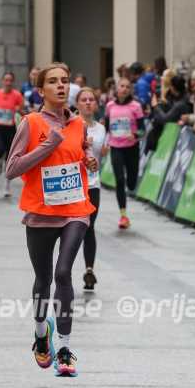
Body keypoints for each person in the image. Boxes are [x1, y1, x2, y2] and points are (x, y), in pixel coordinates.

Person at [5, 63, 98, 378]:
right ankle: (40, 331)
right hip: (41, 213)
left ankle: (65, 348)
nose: (61, 86)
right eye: (54, 82)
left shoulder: (78, 124)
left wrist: (90, 158)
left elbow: (81, 154)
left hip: (75, 209)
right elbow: (12, 168)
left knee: (63, 273)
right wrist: (47, 146)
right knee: (43, 279)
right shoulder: (30, 123)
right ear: (41, 89)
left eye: (65, 81)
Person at [105, 76, 146, 229]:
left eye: (127, 87)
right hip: (116, 147)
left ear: (130, 90)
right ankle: (123, 215)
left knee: (131, 183)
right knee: (120, 180)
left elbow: (143, 130)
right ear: (117, 88)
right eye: (122, 86)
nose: (124, 89)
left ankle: (132, 182)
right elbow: (107, 127)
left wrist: (135, 135)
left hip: (131, 148)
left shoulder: (136, 106)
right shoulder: (110, 106)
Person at [78, 87, 107, 291]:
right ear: (78, 103)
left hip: (93, 184)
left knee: (89, 227)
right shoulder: (71, 125)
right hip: (74, 185)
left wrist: (100, 153)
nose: (88, 102)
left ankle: (89, 270)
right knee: (72, 229)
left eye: (91, 100)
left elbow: (98, 158)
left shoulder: (101, 129)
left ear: (96, 104)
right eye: (84, 99)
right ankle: (64, 269)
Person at [0, 71, 25, 197]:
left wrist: (19, 112)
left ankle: (6, 185)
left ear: (13, 82)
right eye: (6, 80)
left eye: (10, 80)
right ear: (3, 81)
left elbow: (21, 110)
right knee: (0, 148)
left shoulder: (17, 95)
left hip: (10, 129)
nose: (8, 82)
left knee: (9, 157)